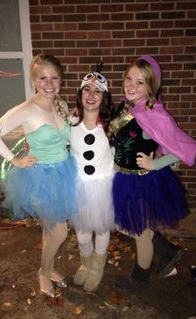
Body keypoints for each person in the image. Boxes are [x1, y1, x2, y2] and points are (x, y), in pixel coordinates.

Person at [0, 54, 78, 298]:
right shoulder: (26, 109)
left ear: (61, 80)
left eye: (55, 78)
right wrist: (15, 160)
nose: (49, 83)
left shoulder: (60, 104)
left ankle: (49, 268)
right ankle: (43, 272)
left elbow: (66, 134)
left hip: (64, 172)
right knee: (60, 231)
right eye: (43, 78)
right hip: (39, 179)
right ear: (34, 79)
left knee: (50, 230)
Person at [109, 55, 196, 289]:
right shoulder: (127, 107)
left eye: (140, 82)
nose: (131, 85)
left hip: (142, 181)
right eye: (129, 78)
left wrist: (155, 164)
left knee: (139, 231)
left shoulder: (154, 115)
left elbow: (183, 148)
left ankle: (140, 278)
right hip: (123, 177)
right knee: (126, 223)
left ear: (151, 86)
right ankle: (166, 250)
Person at [69, 69, 115, 292]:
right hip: (78, 185)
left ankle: (97, 267)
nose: (91, 94)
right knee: (82, 231)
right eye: (87, 89)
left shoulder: (111, 126)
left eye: (97, 91)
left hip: (104, 185)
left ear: (104, 97)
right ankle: (85, 264)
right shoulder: (69, 122)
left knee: (103, 228)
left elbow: (120, 154)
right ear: (80, 93)